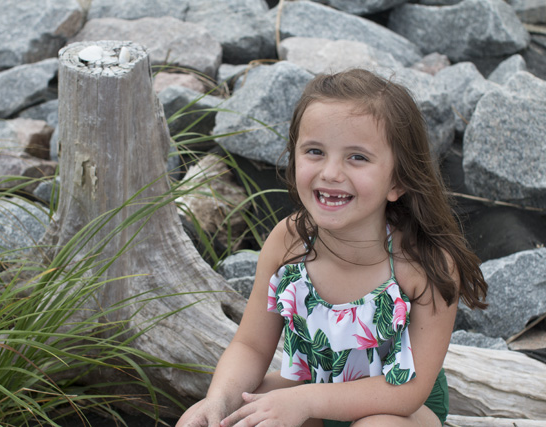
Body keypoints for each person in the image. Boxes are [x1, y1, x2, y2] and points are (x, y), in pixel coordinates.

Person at [176, 69, 488, 427]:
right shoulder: (289, 241)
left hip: (398, 406)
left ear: (398, 180)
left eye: (357, 157)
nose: (331, 172)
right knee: (223, 417)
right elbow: (252, 347)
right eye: (315, 151)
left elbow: (408, 390)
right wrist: (218, 401)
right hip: (311, 386)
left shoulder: (423, 262)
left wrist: (305, 401)